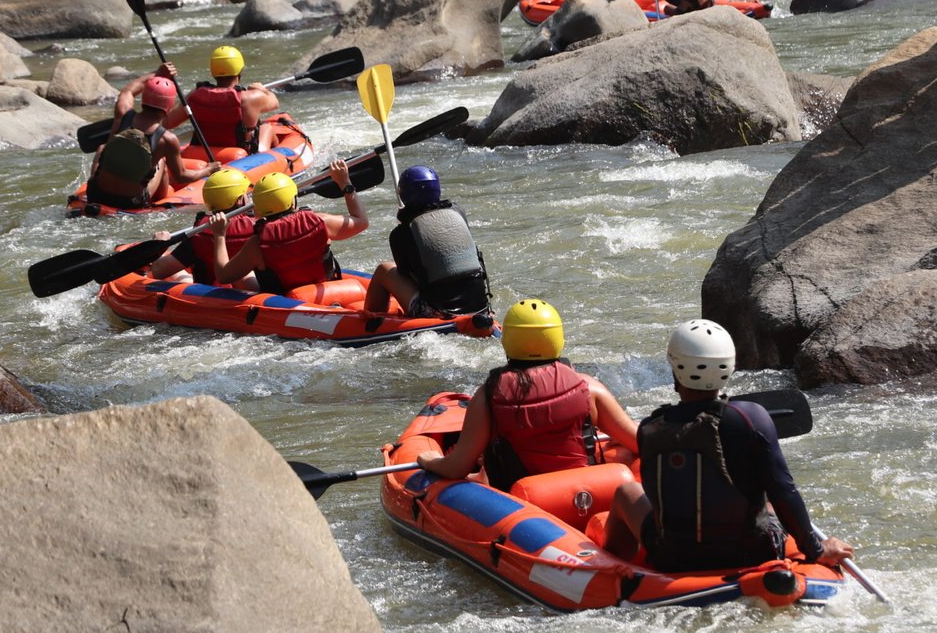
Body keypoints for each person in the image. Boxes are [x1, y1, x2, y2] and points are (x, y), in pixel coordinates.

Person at [601, 319, 853, 572]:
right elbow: (783, 490)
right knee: (767, 502)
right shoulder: (752, 417)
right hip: (751, 555)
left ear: (676, 370)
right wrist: (816, 549)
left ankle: (615, 574)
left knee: (626, 493)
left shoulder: (650, 427)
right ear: (728, 368)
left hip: (672, 557)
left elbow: (660, 497)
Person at [416, 299, 639, 492]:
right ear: (557, 338)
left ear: (508, 340)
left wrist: (430, 461)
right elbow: (640, 443)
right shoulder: (589, 388)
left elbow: (457, 468)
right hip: (585, 493)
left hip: (523, 504)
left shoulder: (488, 397)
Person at [207, 161, 367, 293]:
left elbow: (223, 276)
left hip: (286, 301)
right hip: (328, 292)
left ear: (258, 208)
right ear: (292, 201)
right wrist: (345, 183)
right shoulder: (320, 222)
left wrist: (219, 235)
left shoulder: (257, 244)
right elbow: (361, 221)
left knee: (243, 274)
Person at [363, 166, 490, 320]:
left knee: (384, 269)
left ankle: (369, 317)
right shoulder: (458, 213)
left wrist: (405, 219)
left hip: (438, 311)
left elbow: (406, 273)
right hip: (481, 307)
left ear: (403, 195)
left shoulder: (401, 233)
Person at [88, 72, 218, 210]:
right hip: (130, 202)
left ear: (143, 99)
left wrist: (159, 72)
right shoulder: (167, 139)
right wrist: (208, 170)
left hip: (96, 194)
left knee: (103, 147)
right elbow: (181, 176)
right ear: (168, 108)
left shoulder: (123, 112)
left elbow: (128, 90)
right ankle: (160, 201)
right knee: (161, 161)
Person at [148, 169, 257, 287]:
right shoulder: (257, 228)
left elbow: (158, 271)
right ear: (239, 200)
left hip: (206, 294)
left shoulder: (200, 232)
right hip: (246, 294)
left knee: (183, 276)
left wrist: (158, 245)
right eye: (245, 194)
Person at [186, 45, 281, 155]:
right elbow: (275, 103)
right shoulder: (250, 97)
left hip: (203, 153)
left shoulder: (195, 95)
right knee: (266, 128)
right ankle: (268, 161)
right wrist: (263, 90)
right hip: (240, 157)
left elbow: (169, 123)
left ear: (213, 71)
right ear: (240, 70)